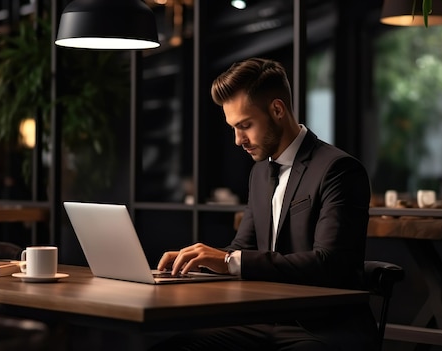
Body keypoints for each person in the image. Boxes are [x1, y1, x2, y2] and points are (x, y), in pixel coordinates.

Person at [154, 57, 377, 350]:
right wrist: (197, 263)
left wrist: (226, 261)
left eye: (245, 125)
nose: (238, 140)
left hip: (322, 328)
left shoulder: (339, 170)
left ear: (277, 110)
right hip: (262, 322)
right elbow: (241, 251)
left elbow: (329, 263)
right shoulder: (259, 173)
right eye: (233, 127)